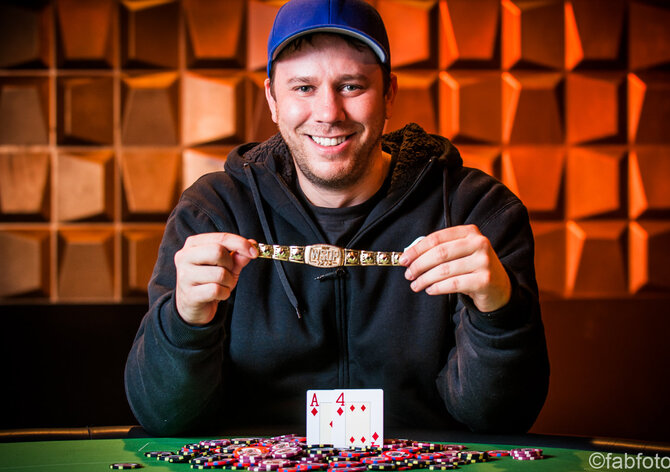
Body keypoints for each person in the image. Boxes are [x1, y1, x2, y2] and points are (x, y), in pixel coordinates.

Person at [125, 0, 549, 436]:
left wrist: (499, 310)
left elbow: (503, 419)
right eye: (303, 88)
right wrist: (185, 319)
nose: (328, 113)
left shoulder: (476, 213)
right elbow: (164, 416)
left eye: (351, 86)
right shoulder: (213, 212)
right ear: (272, 99)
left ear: (388, 94)